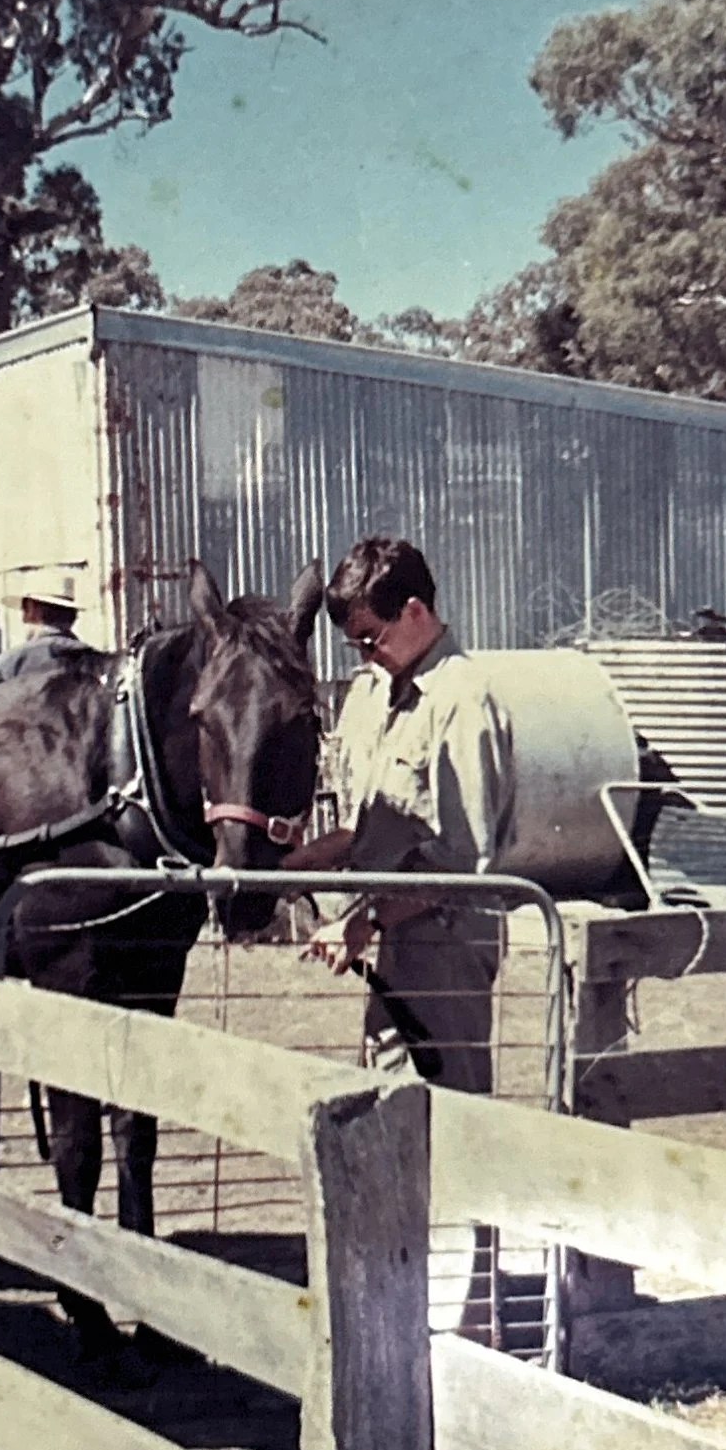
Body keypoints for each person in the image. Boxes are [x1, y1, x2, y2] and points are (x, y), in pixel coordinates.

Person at [288, 535, 516, 1335]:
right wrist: (289, 860)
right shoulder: (372, 693)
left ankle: (468, 1322)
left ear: (415, 611)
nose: (365, 653)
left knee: (449, 1124)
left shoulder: (465, 700)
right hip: (382, 943)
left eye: (372, 637)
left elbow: (464, 861)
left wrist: (366, 921)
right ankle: (409, 1310)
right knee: (391, 1115)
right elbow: (364, 827)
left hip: (444, 944)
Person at [0, 576, 99, 680]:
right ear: (73, 616)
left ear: (32, 610)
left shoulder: (9, 663)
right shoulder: (96, 661)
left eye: (24, 608)